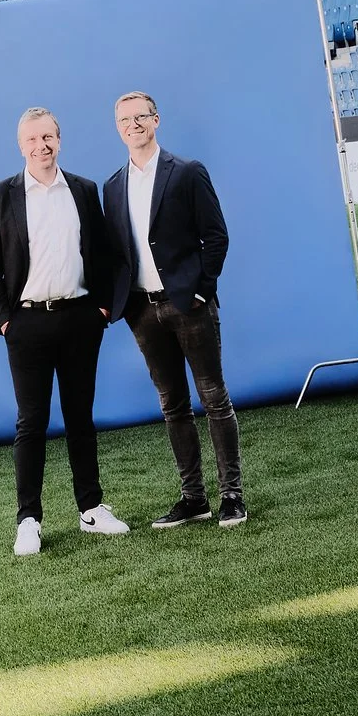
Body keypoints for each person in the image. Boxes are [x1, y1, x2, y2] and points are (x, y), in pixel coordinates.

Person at [0, 106, 131, 557]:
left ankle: (91, 509)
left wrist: (102, 309)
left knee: (81, 417)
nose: (41, 146)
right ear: (20, 146)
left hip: (81, 319)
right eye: (33, 140)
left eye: (49, 138)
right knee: (32, 422)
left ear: (59, 141)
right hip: (26, 324)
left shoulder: (83, 190)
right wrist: (4, 319)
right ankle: (28, 520)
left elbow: (103, 253)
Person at [103, 91, 243, 529]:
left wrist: (202, 291)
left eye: (140, 116)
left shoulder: (186, 173)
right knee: (172, 407)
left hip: (190, 306)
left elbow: (216, 236)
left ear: (156, 120)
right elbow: (115, 253)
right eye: (124, 119)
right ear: (118, 127)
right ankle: (193, 497)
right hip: (143, 313)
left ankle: (232, 496)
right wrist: (121, 305)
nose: (133, 124)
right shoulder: (112, 187)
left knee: (214, 399)